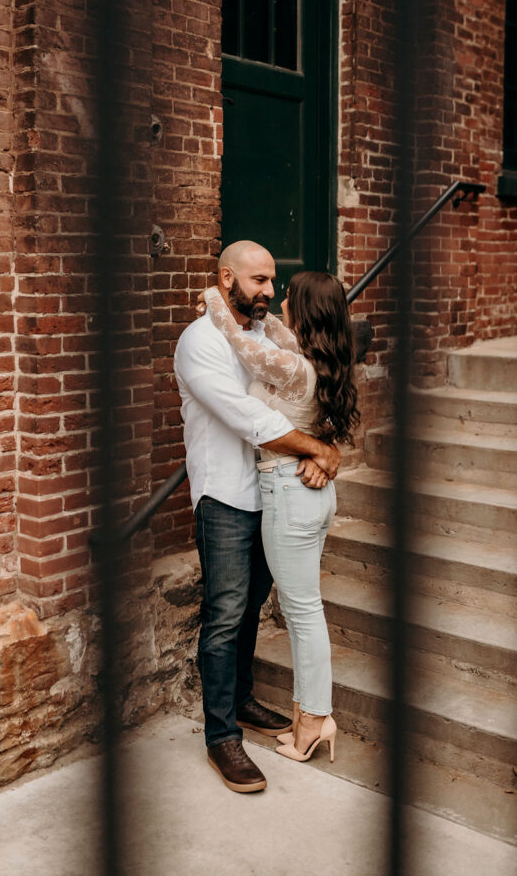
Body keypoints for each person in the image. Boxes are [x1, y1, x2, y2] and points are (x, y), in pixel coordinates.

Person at [174, 241, 341, 794]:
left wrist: (326, 450)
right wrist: (316, 451)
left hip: (273, 495)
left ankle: (242, 700)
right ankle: (222, 736)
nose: (269, 291)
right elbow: (248, 417)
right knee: (223, 616)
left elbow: (315, 394)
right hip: (225, 497)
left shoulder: (266, 337)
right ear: (227, 280)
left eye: (273, 282)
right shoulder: (199, 342)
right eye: (258, 280)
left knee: (249, 610)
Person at [200, 269, 360, 764]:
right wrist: (323, 450)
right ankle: (307, 715)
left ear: (305, 310)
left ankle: (313, 720)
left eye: (288, 295)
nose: (279, 299)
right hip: (306, 491)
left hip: (289, 492)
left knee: (303, 613)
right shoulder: (321, 360)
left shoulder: (294, 368)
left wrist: (213, 300)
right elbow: (271, 332)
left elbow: (244, 343)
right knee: (303, 609)